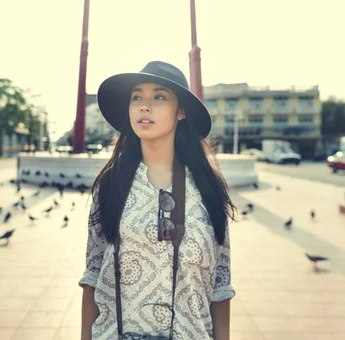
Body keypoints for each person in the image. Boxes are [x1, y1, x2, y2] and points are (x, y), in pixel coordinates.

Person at [79, 61, 237, 339]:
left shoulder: (207, 188)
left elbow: (220, 287)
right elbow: (92, 276)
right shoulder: (111, 185)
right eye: (137, 97)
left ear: (181, 112)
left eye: (159, 97)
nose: (144, 105)